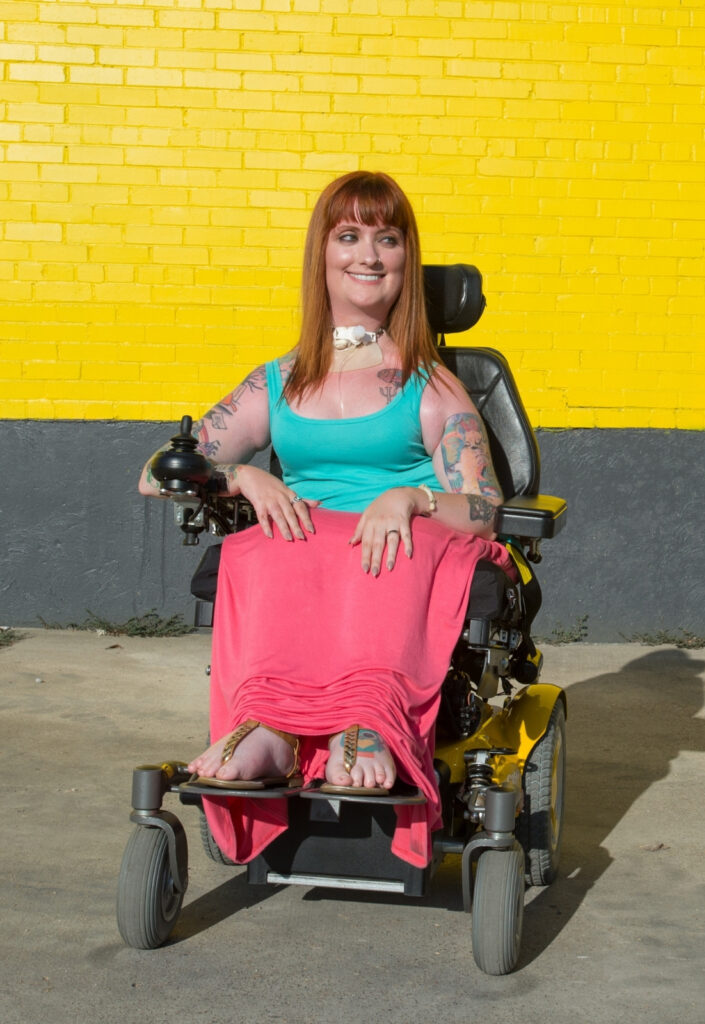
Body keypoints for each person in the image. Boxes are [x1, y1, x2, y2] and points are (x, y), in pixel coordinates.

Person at [139, 171, 512, 865]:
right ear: (324, 255)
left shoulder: (431, 386)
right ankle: (272, 726)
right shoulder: (276, 383)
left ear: (406, 258)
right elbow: (157, 474)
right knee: (262, 545)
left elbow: (486, 509)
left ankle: (366, 721)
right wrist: (241, 475)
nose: (369, 255)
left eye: (387, 239)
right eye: (350, 236)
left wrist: (414, 497)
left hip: (400, 543)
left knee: (372, 540)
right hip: (307, 548)